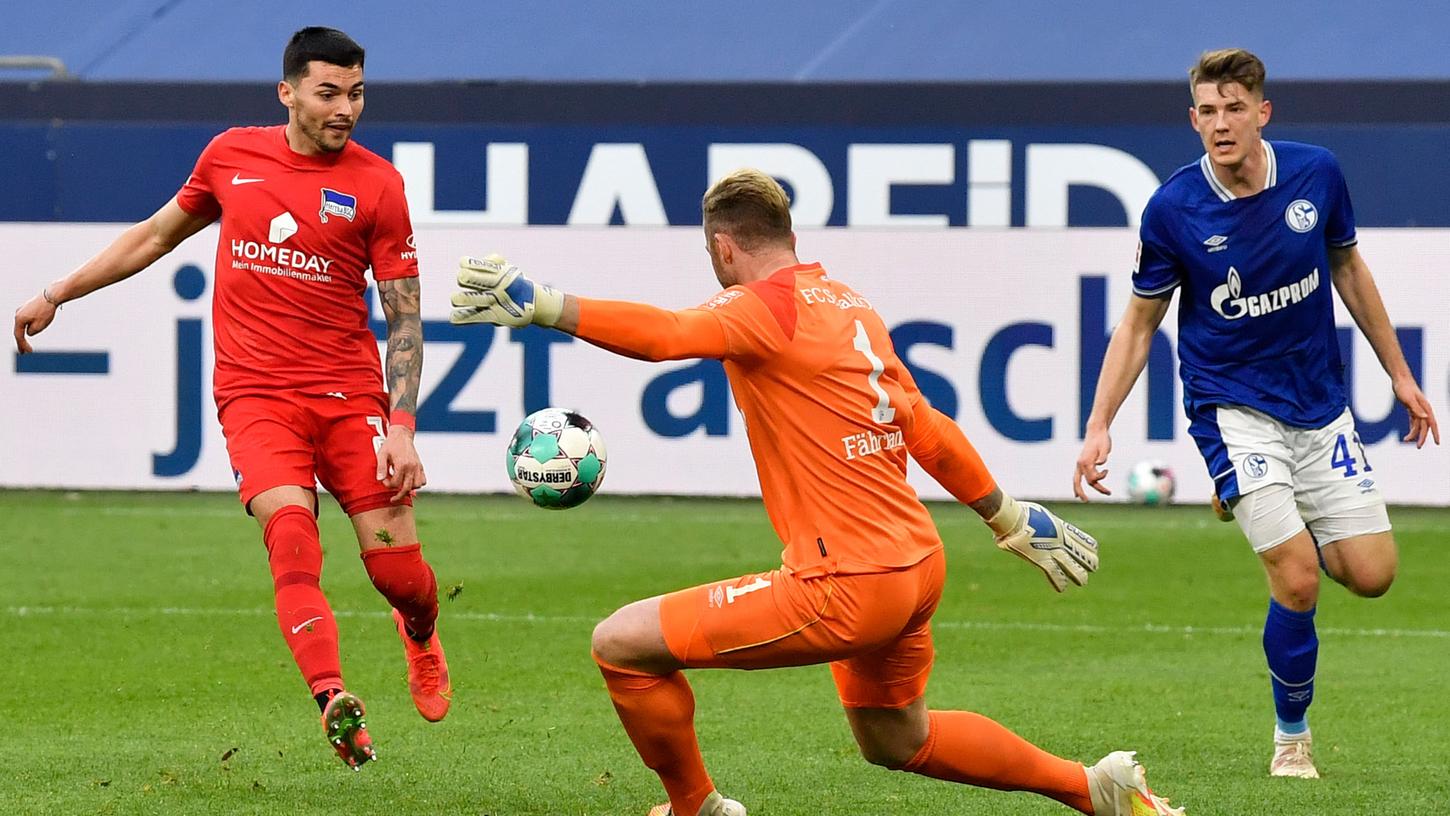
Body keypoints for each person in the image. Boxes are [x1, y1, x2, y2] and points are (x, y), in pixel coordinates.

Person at [450, 169, 1186, 816]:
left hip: (848, 584)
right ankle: (1093, 790)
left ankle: (695, 808)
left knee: (621, 646)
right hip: (915, 565)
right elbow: (923, 426)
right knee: (898, 738)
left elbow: (667, 336)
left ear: (724, 246)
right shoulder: (849, 304)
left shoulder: (760, 308)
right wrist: (1007, 514)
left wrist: (544, 304)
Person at [12, 26, 453, 770]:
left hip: (349, 397)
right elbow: (154, 236)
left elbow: (404, 314)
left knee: (398, 576)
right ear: (287, 93)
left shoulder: (380, 184)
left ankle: (418, 632)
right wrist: (59, 291)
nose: (346, 108)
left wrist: (400, 426)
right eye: (329, 92)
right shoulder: (231, 157)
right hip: (255, 396)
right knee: (289, 535)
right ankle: (333, 698)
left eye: (357, 93)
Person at [1073, 48, 1439, 780]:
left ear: (1262, 113)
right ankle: (1291, 740)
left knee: (1372, 575)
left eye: (1234, 108)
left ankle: (1250, 495)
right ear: (1193, 120)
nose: (1220, 123)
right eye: (1207, 111)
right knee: (1297, 577)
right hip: (1231, 408)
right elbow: (1140, 324)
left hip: (1319, 406)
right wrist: (1098, 422)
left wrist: (1400, 375)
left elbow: (1348, 270)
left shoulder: (1316, 174)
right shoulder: (1174, 208)